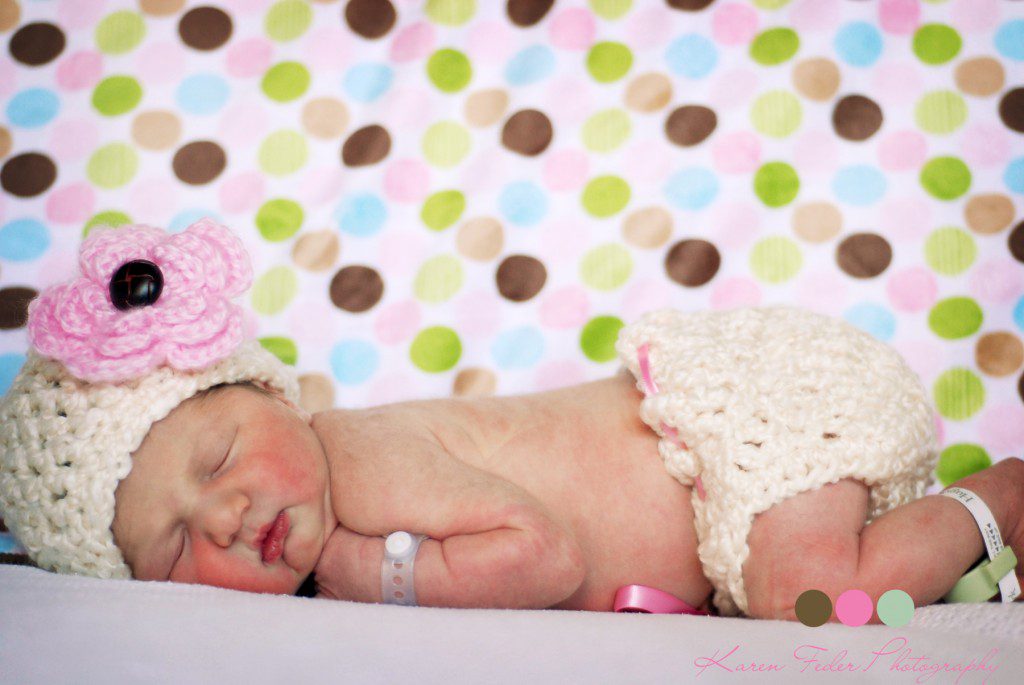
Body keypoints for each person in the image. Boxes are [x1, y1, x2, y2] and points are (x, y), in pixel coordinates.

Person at [1, 221, 1020, 623]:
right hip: (733, 511)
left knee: (814, 601)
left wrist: (362, 570)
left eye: (218, 457)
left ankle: (1001, 498)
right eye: (174, 545)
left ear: (272, 397)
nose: (222, 515)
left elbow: (544, 555)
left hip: (746, 421)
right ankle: (957, 559)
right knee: (807, 600)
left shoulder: (356, 456)